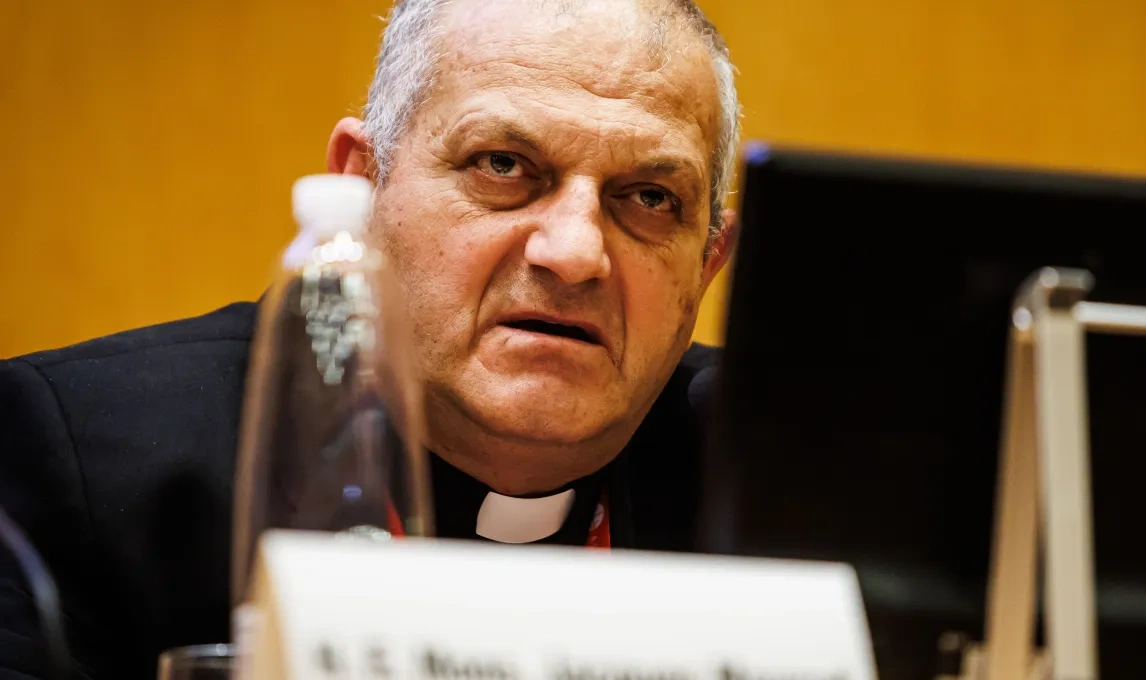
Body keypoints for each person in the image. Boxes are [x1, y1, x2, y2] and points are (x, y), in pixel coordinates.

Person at [0, 0, 740, 677]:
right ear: (362, 187)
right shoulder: (74, 464)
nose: (575, 254)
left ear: (708, 264)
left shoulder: (777, 483)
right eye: (503, 165)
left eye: (650, 198)